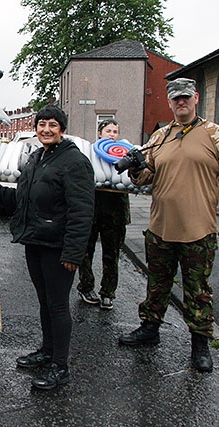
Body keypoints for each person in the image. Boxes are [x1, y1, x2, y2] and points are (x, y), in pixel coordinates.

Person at [118, 78, 219, 372]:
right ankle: (150, 328)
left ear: (195, 98)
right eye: (175, 99)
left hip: (198, 230)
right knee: (156, 284)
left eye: (185, 98)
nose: (181, 102)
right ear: (169, 102)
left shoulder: (217, 136)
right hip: (160, 227)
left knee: (197, 290)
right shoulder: (160, 137)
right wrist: (137, 167)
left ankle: (201, 343)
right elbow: (145, 179)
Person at [0, 105, 95, 391]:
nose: (46, 129)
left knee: (58, 305)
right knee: (45, 303)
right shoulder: (37, 157)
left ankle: (60, 365)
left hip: (57, 246)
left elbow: (82, 212)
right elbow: (23, 198)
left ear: (62, 128)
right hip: (35, 241)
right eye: (42, 124)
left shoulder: (74, 162)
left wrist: (73, 253)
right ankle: (47, 351)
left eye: (52, 124)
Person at [77, 119, 130, 310]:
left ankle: (108, 292)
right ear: (100, 133)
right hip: (92, 209)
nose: (112, 135)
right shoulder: (92, 152)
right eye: (108, 131)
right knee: (85, 251)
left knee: (112, 254)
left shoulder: (125, 154)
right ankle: (86, 286)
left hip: (115, 212)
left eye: (115, 131)